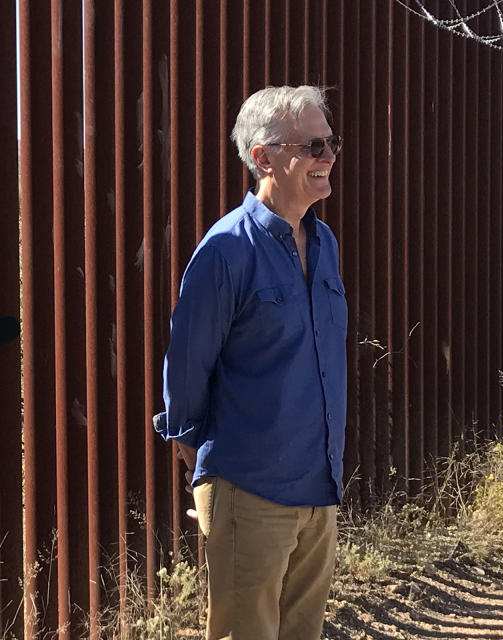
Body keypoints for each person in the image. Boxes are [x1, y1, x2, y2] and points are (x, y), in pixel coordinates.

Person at [154, 84, 347, 640]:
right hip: (252, 491)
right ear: (263, 157)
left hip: (319, 489)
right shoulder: (225, 251)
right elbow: (185, 372)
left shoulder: (325, 241)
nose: (328, 156)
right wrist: (213, 481)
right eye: (312, 145)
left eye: (331, 143)